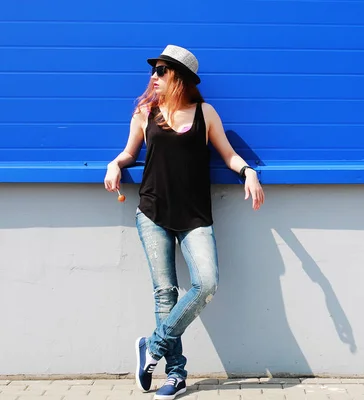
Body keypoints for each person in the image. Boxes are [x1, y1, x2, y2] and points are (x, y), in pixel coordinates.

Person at [103, 44, 265, 400]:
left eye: (162, 71)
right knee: (165, 293)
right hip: (152, 212)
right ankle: (176, 375)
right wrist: (116, 164)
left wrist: (248, 172)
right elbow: (131, 152)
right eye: (153, 70)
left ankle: (153, 345)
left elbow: (229, 153)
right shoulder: (146, 112)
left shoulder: (205, 113)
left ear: (180, 78)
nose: (154, 77)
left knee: (206, 283)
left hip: (194, 216)